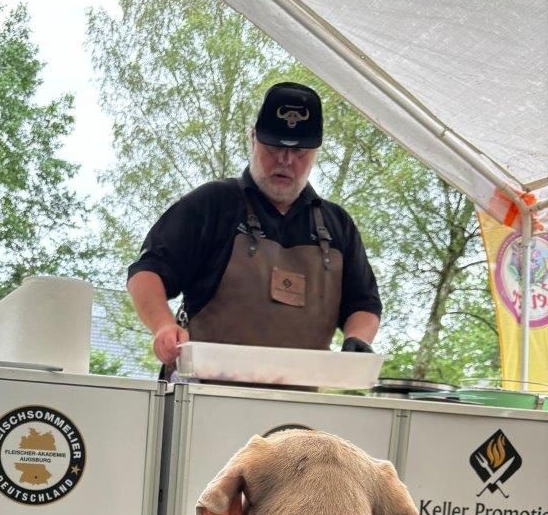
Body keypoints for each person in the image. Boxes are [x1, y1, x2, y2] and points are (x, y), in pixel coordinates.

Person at [126, 82, 381, 377]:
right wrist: (163, 325)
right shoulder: (213, 204)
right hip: (204, 392)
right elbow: (147, 272)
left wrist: (357, 340)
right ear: (252, 139)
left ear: (316, 152)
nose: (286, 160)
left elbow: (363, 303)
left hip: (298, 399)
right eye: (274, 147)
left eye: (299, 151)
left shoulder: (338, 226)